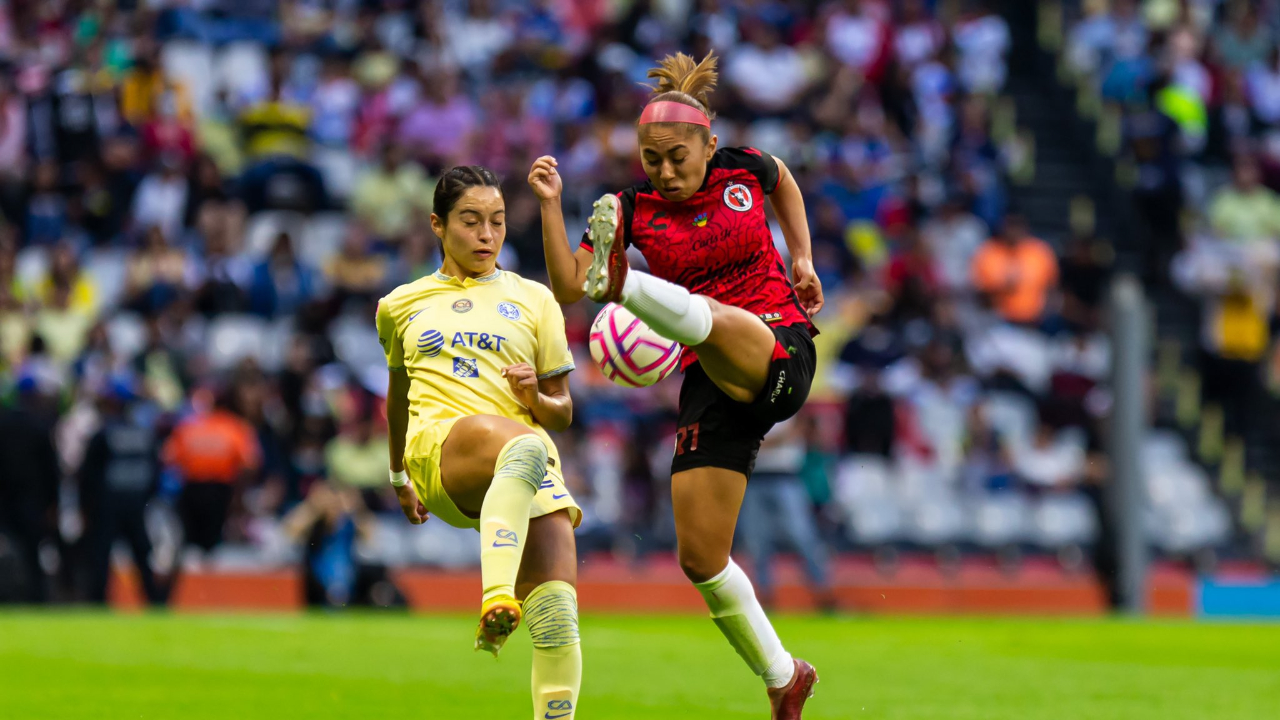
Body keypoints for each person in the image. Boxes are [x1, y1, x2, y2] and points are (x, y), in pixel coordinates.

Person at [531, 51, 820, 717]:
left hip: (777, 344)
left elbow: (785, 182)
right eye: (650, 159)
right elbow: (570, 287)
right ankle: (783, 676)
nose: (664, 171)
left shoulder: (744, 168)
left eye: (677, 157)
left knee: (717, 321)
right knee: (700, 556)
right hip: (709, 378)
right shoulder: (630, 209)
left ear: (709, 145)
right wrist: (550, 206)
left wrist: (800, 257)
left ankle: (628, 286)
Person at [377, 166, 583, 719]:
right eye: (470, 222)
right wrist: (397, 475)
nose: (487, 235)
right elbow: (398, 397)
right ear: (437, 225)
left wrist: (535, 398)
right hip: (444, 448)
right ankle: (496, 595)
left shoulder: (536, 299)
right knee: (523, 446)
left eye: (497, 222)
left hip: (528, 457)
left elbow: (562, 412)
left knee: (558, 614)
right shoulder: (400, 304)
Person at [78, 376, 165, 606]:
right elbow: (156, 470)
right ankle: (153, 601)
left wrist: (85, 506)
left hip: (107, 505)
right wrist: (146, 499)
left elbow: (87, 475)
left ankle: (99, 603)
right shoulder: (144, 433)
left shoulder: (103, 434)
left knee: (101, 557)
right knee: (142, 556)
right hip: (136, 504)